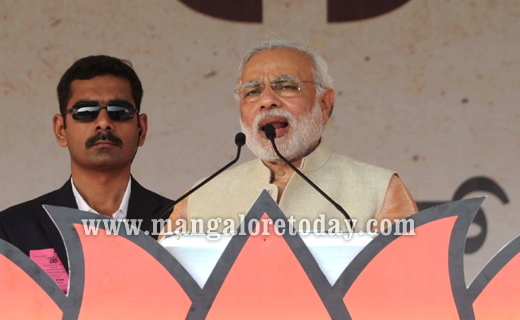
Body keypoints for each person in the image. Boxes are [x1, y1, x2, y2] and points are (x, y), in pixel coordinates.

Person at [163, 40, 417, 235]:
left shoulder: (381, 190)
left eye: (286, 86)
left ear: (325, 104)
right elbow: (169, 295)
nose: (267, 101)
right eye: (252, 91)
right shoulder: (199, 198)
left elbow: (406, 291)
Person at [0, 55, 173, 273]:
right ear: (61, 129)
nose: (103, 123)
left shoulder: (180, 223)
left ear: (142, 128)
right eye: (85, 113)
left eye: (119, 112)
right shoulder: (11, 230)